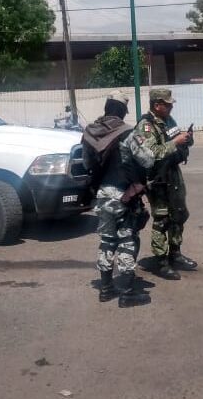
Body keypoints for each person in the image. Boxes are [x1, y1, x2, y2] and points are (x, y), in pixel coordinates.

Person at [83, 91, 156, 308]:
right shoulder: (127, 133)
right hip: (125, 196)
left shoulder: (89, 133)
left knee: (106, 240)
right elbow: (148, 160)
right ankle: (127, 292)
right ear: (123, 111)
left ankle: (105, 289)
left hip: (102, 196)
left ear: (106, 108)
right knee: (127, 241)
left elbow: (87, 164)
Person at [134, 88, 194, 280]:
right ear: (156, 105)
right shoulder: (146, 126)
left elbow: (177, 142)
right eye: (167, 104)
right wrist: (176, 142)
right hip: (158, 180)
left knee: (179, 214)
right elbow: (151, 154)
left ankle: (175, 253)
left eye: (170, 104)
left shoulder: (169, 121)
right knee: (162, 220)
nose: (170, 107)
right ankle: (161, 261)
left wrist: (186, 140)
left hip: (174, 175)